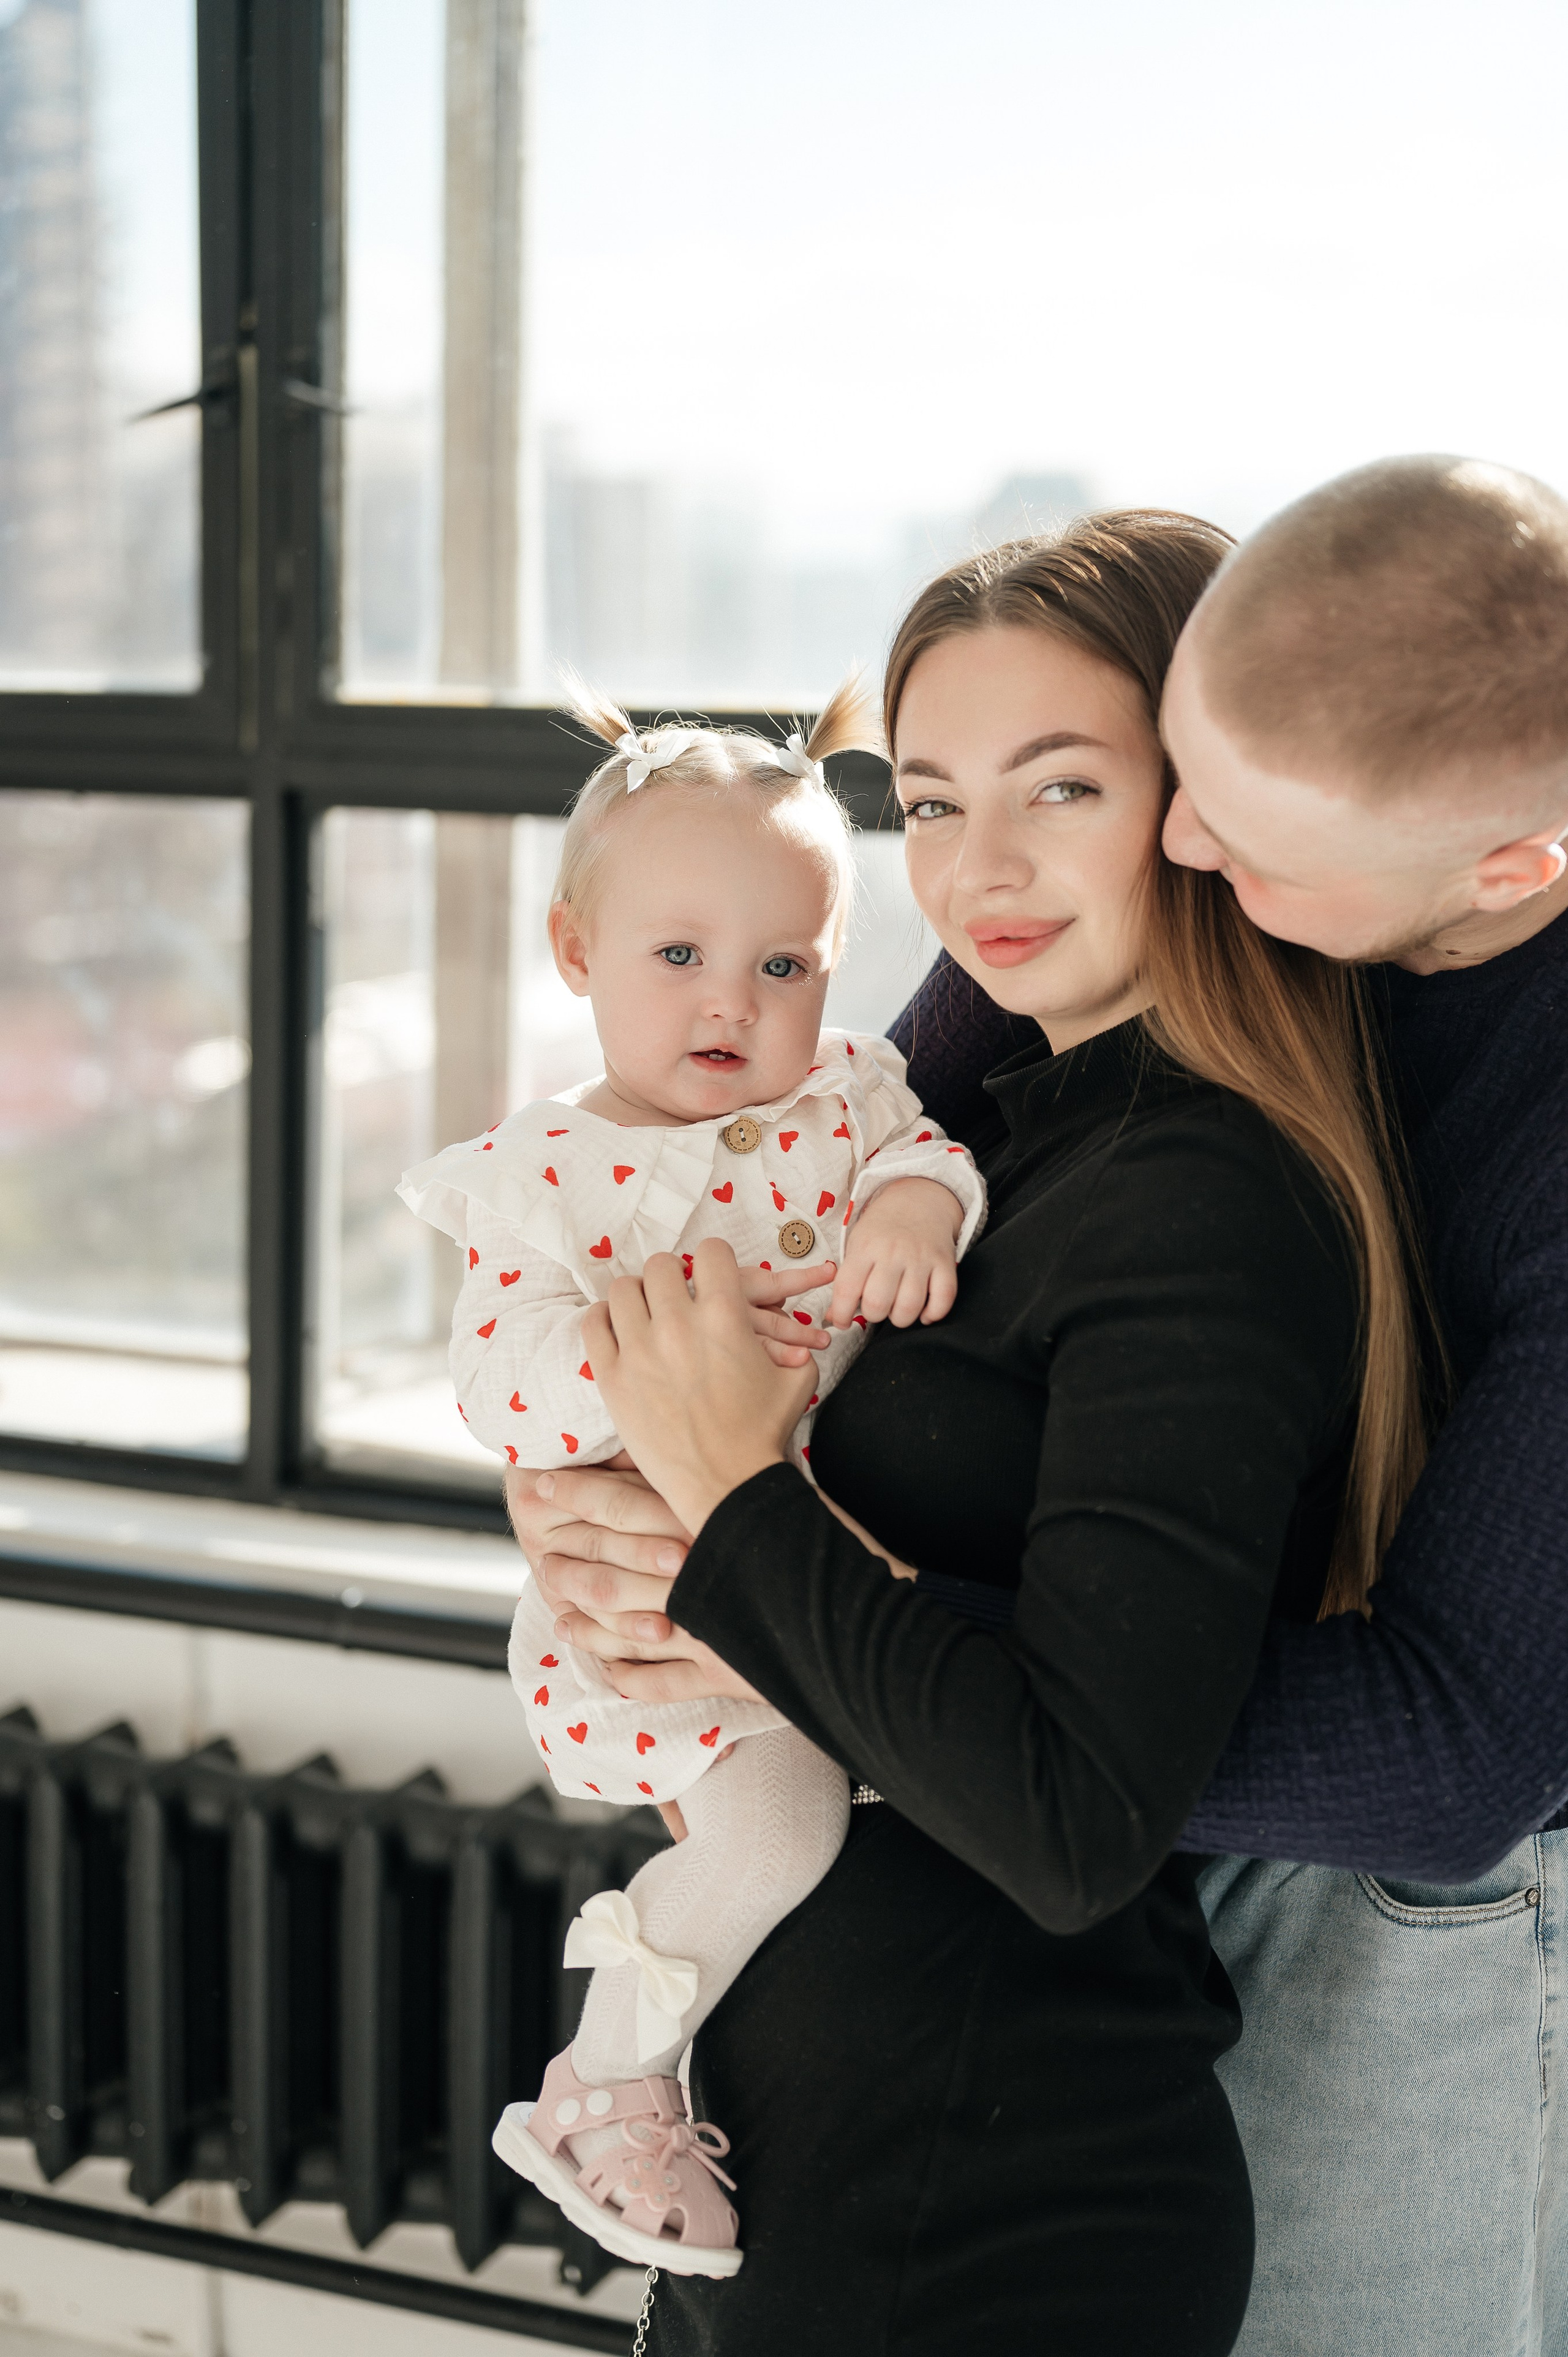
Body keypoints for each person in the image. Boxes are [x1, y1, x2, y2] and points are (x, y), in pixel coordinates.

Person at [517, 513, 1430, 2354]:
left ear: (1202, 801)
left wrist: (726, 1506)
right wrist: (598, 1517)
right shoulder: (984, 1130)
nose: (978, 868)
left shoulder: (1205, 1195)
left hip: (991, 2206)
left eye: (1060, 787)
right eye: (928, 803)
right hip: (813, 2158)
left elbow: (1076, 1818)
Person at [832, 456, 1568, 2354]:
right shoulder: (1246, 827)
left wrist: (844, 1640)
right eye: (1163, 779)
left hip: (1436, 1888)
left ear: (1509, 869)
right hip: (1141, 1784)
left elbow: (1455, 1751)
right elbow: (865, 1154)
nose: (1170, 853)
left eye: (1227, 832)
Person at [397, 679, 984, 2278]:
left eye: (781, 963)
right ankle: (603, 2084)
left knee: (846, 1843)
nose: (733, 1001)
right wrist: (639, 1363)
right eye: (679, 957)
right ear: (576, 953)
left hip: (817, 1587)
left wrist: (916, 1218)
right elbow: (493, 1381)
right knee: (783, 1838)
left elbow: (927, 1149)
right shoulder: (546, 1180)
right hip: (665, 1610)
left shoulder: (846, 1097)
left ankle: (655, 2070)